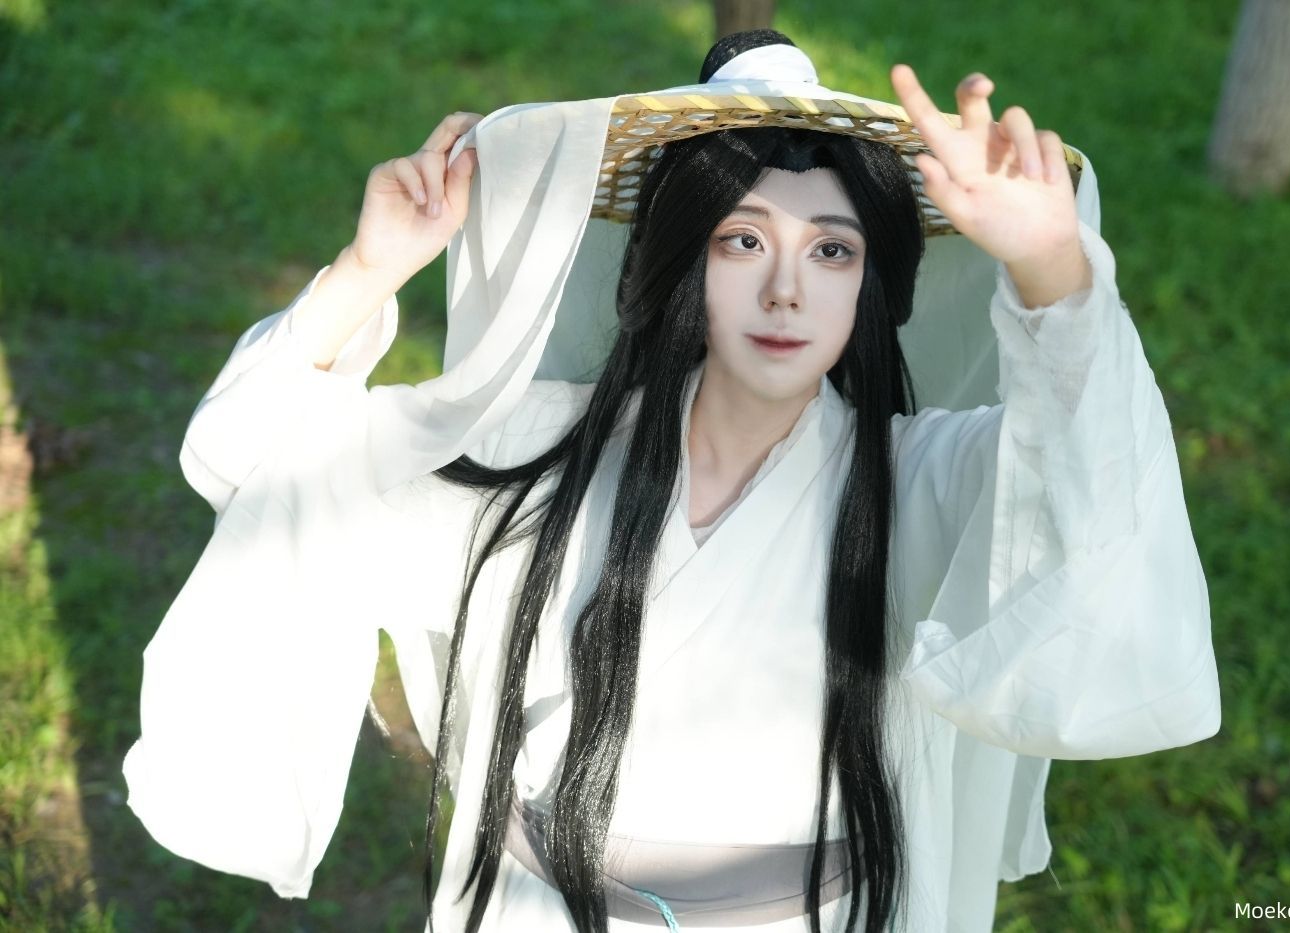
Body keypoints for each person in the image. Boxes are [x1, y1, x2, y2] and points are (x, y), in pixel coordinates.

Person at [122, 28, 1222, 933]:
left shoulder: (917, 478)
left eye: (832, 251)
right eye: (743, 241)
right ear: (678, 261)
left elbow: (1093, 504)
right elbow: (262, 469)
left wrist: (1050, 269)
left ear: (870, 289)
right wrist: (370, 270)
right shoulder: (540, 452)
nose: (786, 290)